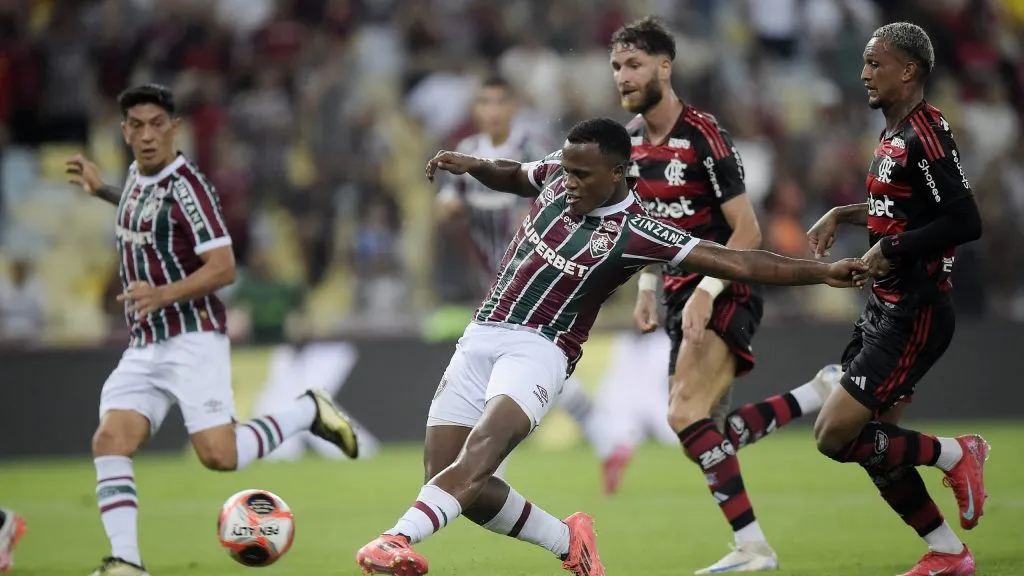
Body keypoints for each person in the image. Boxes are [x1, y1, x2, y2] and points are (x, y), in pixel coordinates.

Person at [354, 117, 868, 576]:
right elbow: (514, 175)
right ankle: (569, 542)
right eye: (567, 169)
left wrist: (822, 272)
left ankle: (395, 539)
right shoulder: (558, 171)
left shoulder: (638, 231)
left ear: (619, 173)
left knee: (481, 454)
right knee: (446, 478)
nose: (569, 181)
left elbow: (738, 263)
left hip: (539, 349)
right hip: (480, 334)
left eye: (583, 175)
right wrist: (473, 166)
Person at [64, 84, 360, 576]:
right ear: (125, 132)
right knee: (111, 440)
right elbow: (147, 216)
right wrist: (103, 191)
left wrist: (162, 293)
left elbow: (223, 268)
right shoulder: (137, 177)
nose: (147, 134)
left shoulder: (189, 187)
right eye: (136, 125)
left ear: (174, 128)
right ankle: (126, 563)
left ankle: (307, 411)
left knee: (219, 457)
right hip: (145, 343)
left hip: (192, 337)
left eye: (157, 124)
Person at [609, 16, 843, 572]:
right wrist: (648, 288)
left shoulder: (703, 135)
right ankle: (817, 392)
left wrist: (706, 291)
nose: (622, 76)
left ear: (664, 67)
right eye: (616, 66)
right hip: (677, 293)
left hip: (726, 287)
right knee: (703, 434)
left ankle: (753, 548)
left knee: (684, 413)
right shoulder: (633, 146)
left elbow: (748, 232)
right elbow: (648, 226)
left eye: (634, 65)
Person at [808, 23, 986, 576]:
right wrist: (845, 213)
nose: (863, 73)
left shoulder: (926, 132)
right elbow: (903, 208)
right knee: (871, 442)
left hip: (916, 312)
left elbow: (964, 219)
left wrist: (893, 248)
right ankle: (948, 553)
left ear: (908, 70)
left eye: (874, 63)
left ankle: (958, 454)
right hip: (884, 307)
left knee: (834, 435)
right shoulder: (894, 134)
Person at [435, 75, 628, 490]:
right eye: (483, 102)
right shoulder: (468, 153)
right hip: (498, 280)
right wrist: (452, 207)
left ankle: (494, 465)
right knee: (529, 380)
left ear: (512, 108)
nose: (491, 111)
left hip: (545, 280)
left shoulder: (533, 146)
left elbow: (556, 196)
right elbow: (447, 205)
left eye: (499, 102)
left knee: (523, 379)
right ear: (477, 110)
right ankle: (607, 440)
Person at [0, 508, 26, 572]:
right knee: (5, 567)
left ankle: (5, 561)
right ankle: (5, 562)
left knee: (5, 566)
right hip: (10, 521)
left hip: (10, 522)